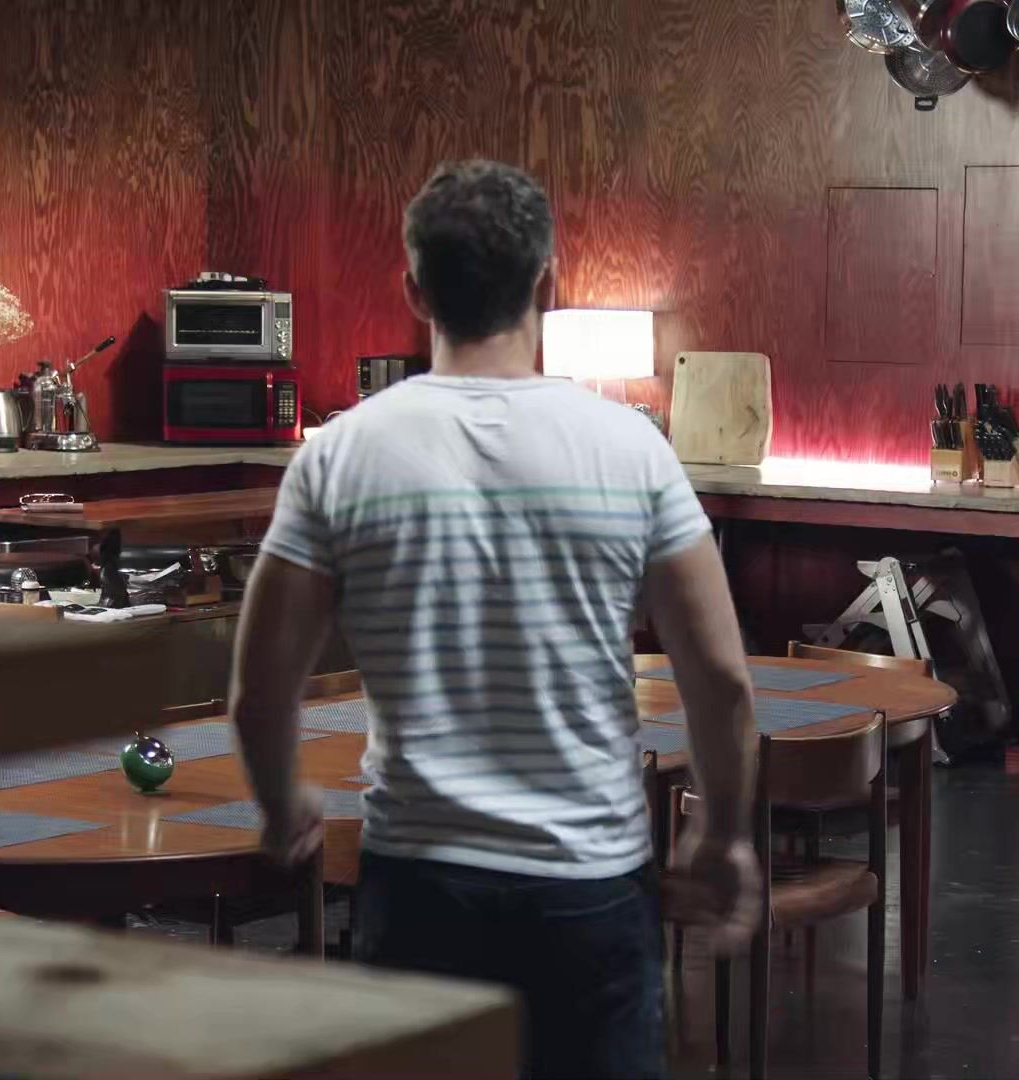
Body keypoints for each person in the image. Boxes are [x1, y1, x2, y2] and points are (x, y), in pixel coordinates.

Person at [227, 159, 761, 1079]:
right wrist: (723, 834)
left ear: (414, 290)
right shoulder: (633, 450)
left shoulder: (339, 456)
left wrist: (283, 805)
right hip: (589, 891)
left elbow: (259, 691)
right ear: (548, 286)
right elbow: (720, 681)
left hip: (420, 890)